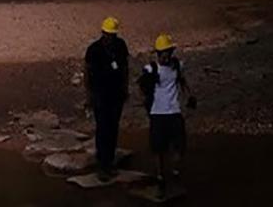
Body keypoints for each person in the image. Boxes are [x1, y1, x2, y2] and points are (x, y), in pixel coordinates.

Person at [137, 33, 197, 198]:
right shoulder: (151, 70)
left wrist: (190, 96)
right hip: (158, 113)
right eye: (162, 53)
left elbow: (182, 81)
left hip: (174, 111)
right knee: (158, 149)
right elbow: (141, 88)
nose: (165, 56)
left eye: (167, 53)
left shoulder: (177, 66)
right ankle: (161, 177)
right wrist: (146, 105)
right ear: (158, 53)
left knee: (179, 145)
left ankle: (174, 170)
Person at [84, 16, 129, 180]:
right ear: (103, 33)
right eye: (108, 35)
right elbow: (87, 72)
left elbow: (125, 67)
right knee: (103, 128)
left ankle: (109, 161)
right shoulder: (94, 50)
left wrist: (125, 88)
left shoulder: (120, 46)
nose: (110, 38)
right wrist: (89, 95)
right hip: (100, 95)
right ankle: (102, 164)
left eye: (112, 35)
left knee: (113, 127)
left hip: (116, 94)